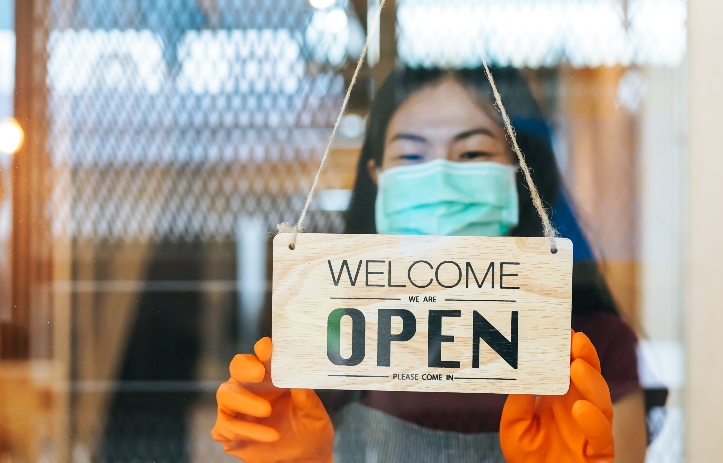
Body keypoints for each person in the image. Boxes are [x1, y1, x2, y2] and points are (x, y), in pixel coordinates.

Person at [211, 67, 647, 462]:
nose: (440, 176)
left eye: (473, 153)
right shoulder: (324, 331)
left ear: (518, 171)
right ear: (376, 176)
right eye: (412, 156)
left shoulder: (590, 348)